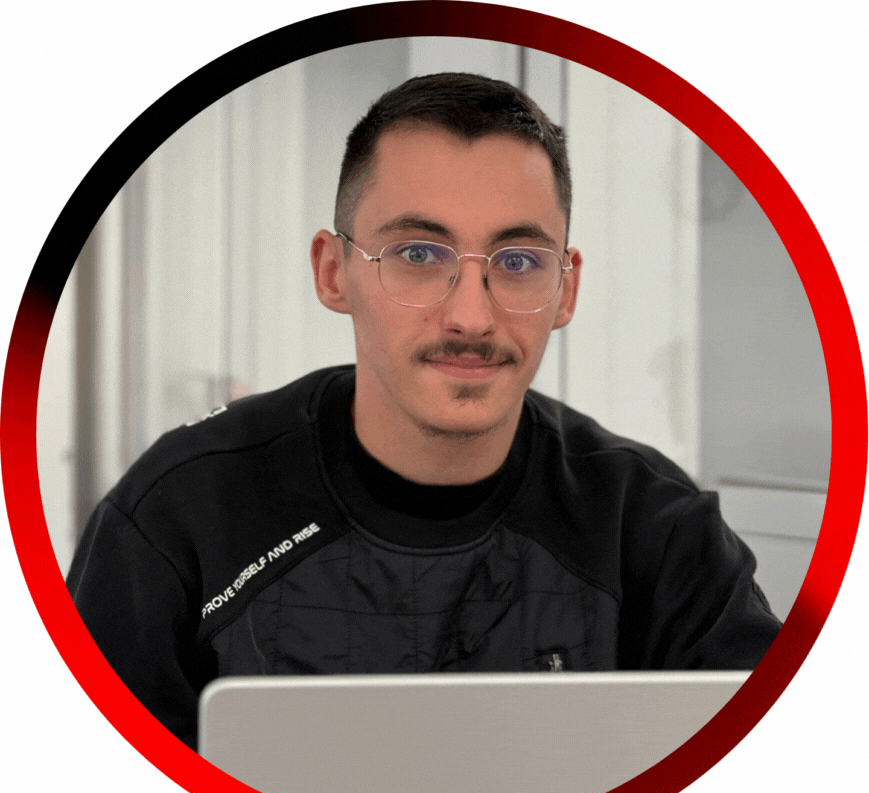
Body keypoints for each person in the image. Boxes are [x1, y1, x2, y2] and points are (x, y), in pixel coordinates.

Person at [67, 73, 781, 751]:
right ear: (332, 272)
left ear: (565, 290)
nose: (471, 316)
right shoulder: (181, 513)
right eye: (417, 253)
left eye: (518, 261)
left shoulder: (654, 528)